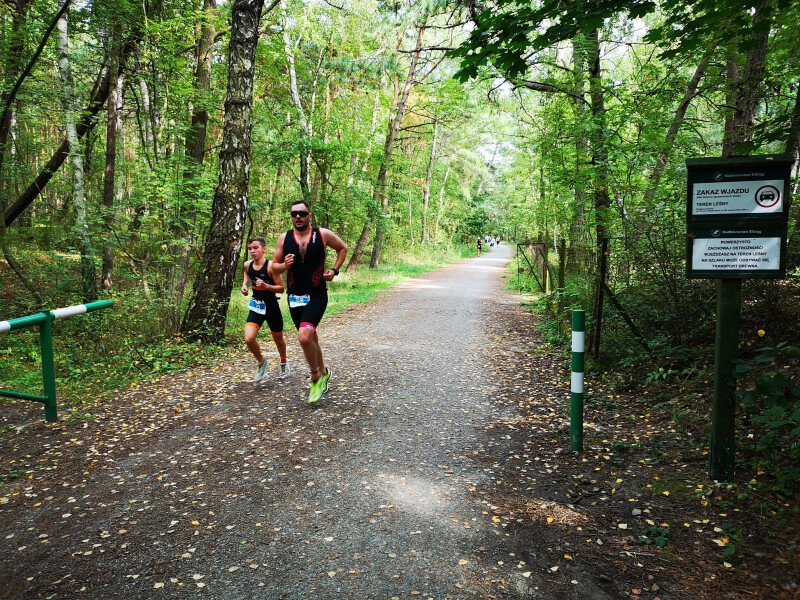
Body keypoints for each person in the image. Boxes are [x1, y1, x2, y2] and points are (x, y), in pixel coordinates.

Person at [272, 200, 348, 404]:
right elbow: (273, 268)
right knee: (311, 336)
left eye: (302, 213)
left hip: (317, 294)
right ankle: (324, 372)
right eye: (294, 214)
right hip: (295, 297)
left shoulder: (322, 234)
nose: (298, 217)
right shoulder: (284, 239)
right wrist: (284, 266)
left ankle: (314, 377)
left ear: (309, 216)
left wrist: (334, 270)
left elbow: (342, 249)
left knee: (304, 337)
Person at [241, 237, 290, 382]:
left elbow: (281, 288)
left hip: (271, 307)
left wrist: (267, 287)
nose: (252, 251)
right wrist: (244, 285)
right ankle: (262, 362)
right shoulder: (247, 264)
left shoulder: (271, 267)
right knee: (249, 339)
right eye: (250, 249)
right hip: (256, 305)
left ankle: (283, 362)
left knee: (278, 339)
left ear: (264, 249)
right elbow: (247, 274)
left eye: (255, 248)